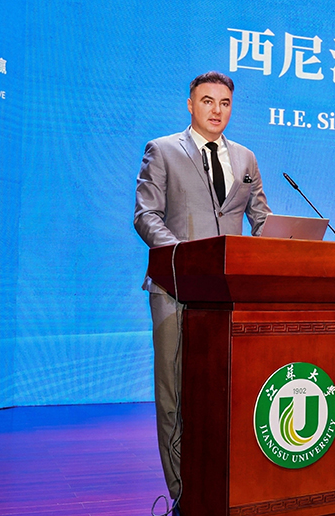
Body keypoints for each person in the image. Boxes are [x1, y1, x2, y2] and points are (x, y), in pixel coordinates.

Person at [134, 71, 271, 515]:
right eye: (207, 101)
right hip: (175, 288)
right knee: (174, 394)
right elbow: (146, 216)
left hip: (226, 295)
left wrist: (280, 247)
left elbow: (261, 219)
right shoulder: (163, 150)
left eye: (225, 103)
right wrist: (187, 257)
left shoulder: (246, 158)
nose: (217, 110)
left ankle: (222, 488)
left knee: (222, 394)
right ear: (191, 105)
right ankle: (184, 495)